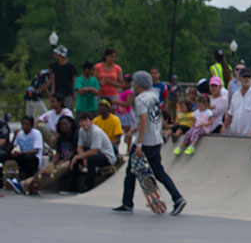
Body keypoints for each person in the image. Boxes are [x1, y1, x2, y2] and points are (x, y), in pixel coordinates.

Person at [115, 70, 185, 215]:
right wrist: (132, 131)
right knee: (158, 172)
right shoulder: (154, 96)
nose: (133, 84)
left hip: (145, 142)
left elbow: (143, 120)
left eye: (134, 81)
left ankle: (127, 203)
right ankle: (177, 198)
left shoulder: (140, 99)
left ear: (138, 83)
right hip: (156, 140)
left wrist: (138, 144)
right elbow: (152, 119)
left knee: (131, 172)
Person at [68, 113, 116, 193]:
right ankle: (72, 186)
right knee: (73, 158)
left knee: (90, 159)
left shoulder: (96, 131)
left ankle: (89, 186)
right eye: (81, 121)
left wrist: (81, 157)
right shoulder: (81, 130)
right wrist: (82, 157)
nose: (83, 123)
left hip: (106, 157)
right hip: (91, 154)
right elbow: (79, 147)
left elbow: (94, 150)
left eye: (85, 121)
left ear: (91, 122)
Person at [6, 116, 45, 192]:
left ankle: (26, 183)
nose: (24, 126)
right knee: (7, 156)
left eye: (27, 124)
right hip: (23, 156)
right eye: (23, 124)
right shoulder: (20, 134)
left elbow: (36, 150)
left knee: (28, 158)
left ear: (31, 125)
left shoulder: (36, 133)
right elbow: (9, 149)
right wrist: (14, 136)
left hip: (34, 158)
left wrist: (21, 153)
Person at [223, 66, 251, 138]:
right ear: (240, 78)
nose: (246, 79)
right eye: (244, 77)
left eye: (248, 76)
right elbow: (230, 114)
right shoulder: (236, 94)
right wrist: (224, 127)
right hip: (235, 134)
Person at [174, 92, 214, 156]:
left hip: (204, 128)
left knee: (196, 132)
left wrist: (204, 124)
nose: (200, 107)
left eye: (201, 106)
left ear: (205, 105)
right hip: (196, 127)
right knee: (189, 133)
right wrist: (191, 127)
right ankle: (179, 146)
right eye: (198, 106)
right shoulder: (196, 112)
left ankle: (192, 146)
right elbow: (194, 121)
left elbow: (211, 121)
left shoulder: (208, 112)